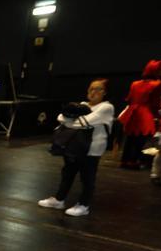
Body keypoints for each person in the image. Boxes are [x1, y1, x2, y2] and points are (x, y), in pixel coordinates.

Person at [38, 79, 115, 217]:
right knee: (67, 174)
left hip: (92, 148)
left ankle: (84, 205)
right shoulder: (83, 105)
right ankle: (59, 200)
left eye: (98, 89)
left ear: (105, 92)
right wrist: (71, 120)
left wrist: (70, 120)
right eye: (91, 88)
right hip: (75, 146)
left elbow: (83, 122)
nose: (93, 92)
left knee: (87, 178)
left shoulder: (106, 107)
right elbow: (61, 116)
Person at [119, 60, 161, 169]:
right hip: (145, 113)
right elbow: (155, 103)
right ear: (156, 70)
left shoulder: (135, 83)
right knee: (141, 139)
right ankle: (135, 161)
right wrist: (157, 116)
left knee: (130, 138)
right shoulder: (157, 84)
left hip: (133, 112)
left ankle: (125, 161)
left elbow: (129, 99)